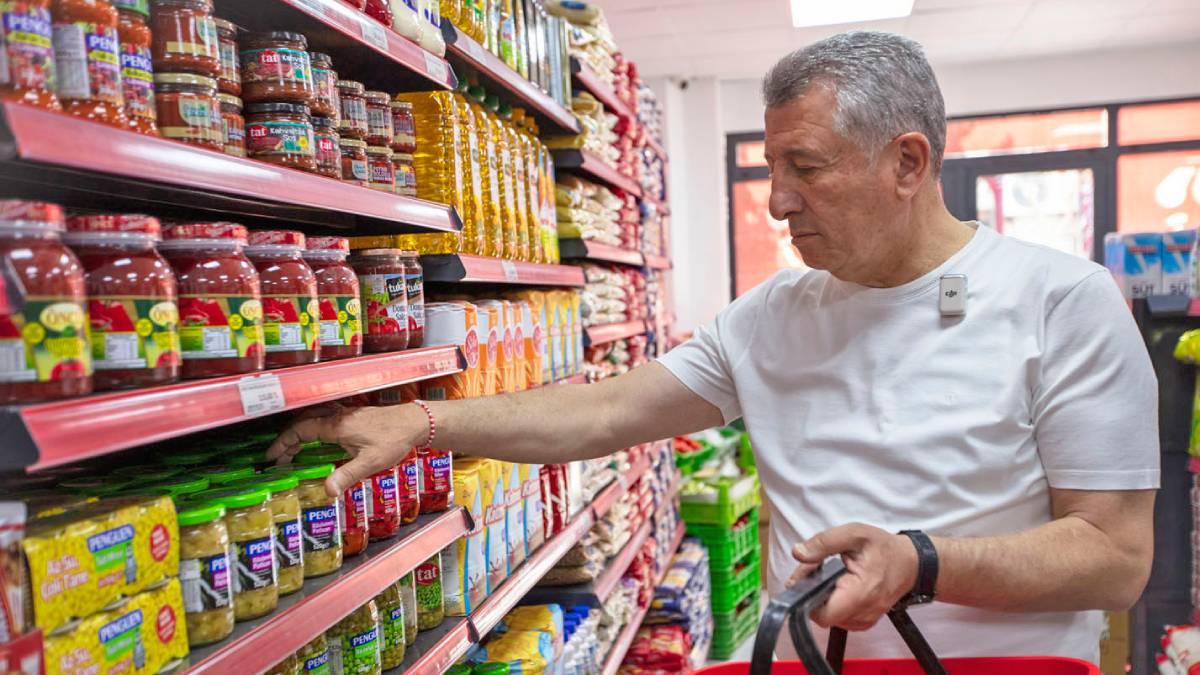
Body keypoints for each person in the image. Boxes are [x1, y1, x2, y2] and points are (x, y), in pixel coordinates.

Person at [269, 31, 1158, 660]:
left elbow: (1115, 557)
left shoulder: (1061, 301)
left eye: (804, 167)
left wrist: (922, 562)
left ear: (909, 162)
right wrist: (423, 422)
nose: (776, 200)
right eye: (771, 168)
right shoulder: (772, 315)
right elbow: (605, 408)